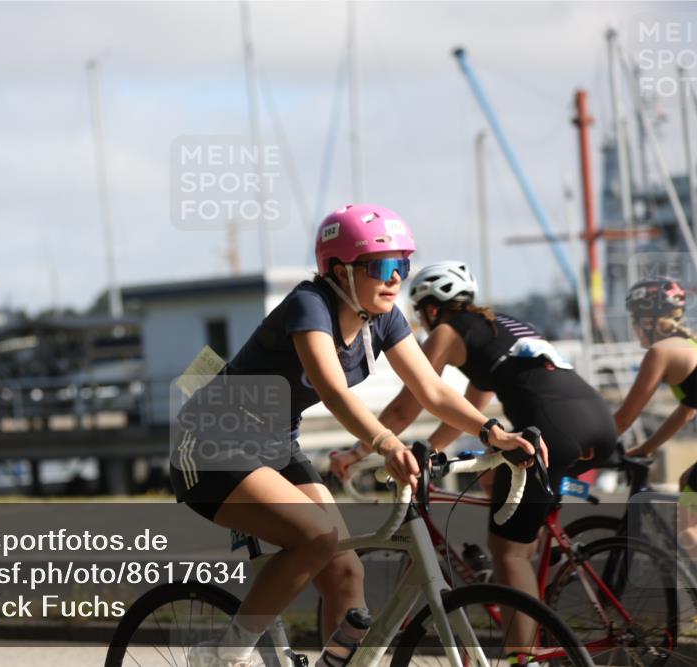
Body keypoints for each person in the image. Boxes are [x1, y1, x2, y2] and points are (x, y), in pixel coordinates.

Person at [170, 207, 539, 667]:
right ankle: (226, 651)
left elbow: (430, 389)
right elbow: (332, 390)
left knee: (346, 571)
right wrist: (387, 444)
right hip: (212, 443)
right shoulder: (310, 305)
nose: (396, 278)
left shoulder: (383, 318)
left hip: (275, 446)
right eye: (382, 267)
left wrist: (493, 433)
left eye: (402, 265)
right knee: (317, 537)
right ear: (340, 270)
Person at [332, 260, 616, 666]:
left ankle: (523, 658)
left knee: (507, 551)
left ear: (432, 308)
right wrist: (429, 451)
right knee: (499, 487)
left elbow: (406, 406)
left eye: (421, 314)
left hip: (553, 433)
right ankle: (524, 587)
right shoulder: (498, 327)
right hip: (598, 423)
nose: (423, 323)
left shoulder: (446, 332)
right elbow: (468, 415)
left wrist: (357, 453)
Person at [614, 276, 697, 556]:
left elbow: (624, 419)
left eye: (634, 318)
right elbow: (687, 411)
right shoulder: (689, 343)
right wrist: (646, 447)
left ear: (647, 319)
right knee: (686, 480)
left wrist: (587, 451)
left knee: (687, 531)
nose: (634, 325)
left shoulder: (661, 352)